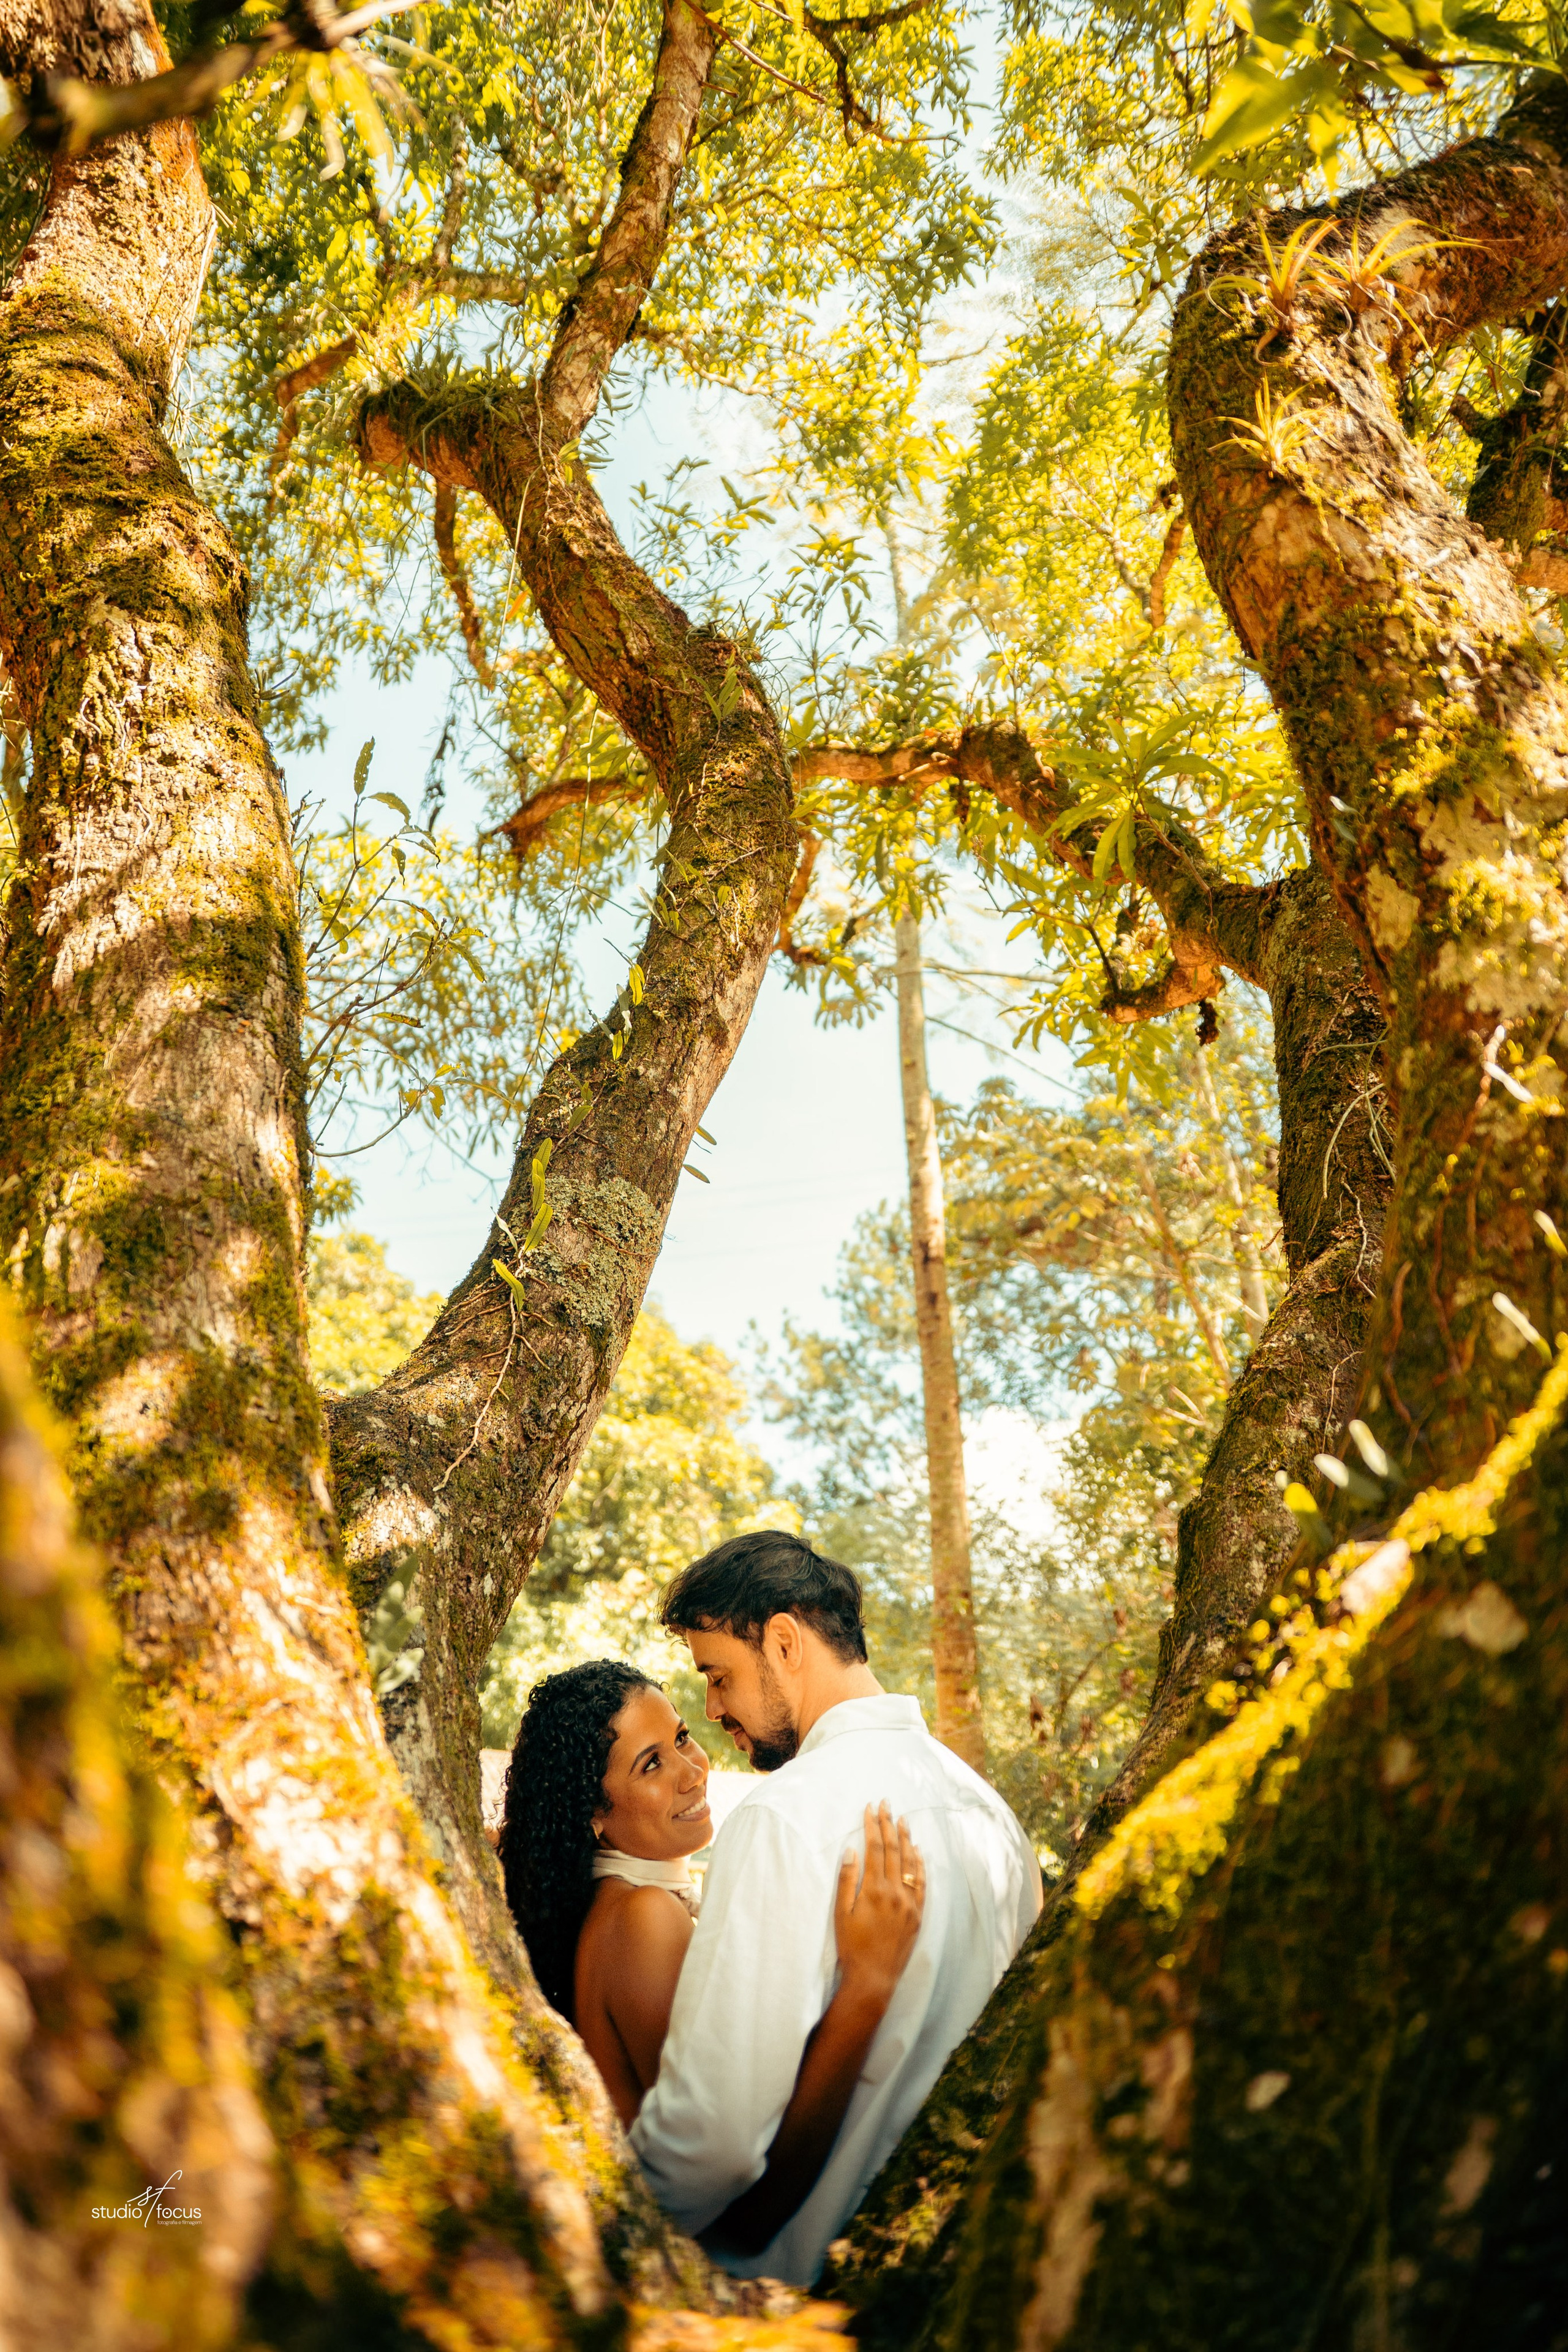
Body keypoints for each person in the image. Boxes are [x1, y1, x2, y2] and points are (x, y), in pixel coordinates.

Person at [629, 1530, 1042, 2287]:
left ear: (783, 1641)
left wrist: (617, 2235)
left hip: (794, 2293)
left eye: (717, 1675)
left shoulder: (785, 1816)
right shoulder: (993, 1818)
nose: (713, 1706)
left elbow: (710, 2140)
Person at [497, 1658, 927, 2244]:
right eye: (651, 1764)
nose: (693, 1771)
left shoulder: (634, 1903)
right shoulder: (641, 1918)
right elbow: (744, 2181)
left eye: (680, 1738)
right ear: (595, 1815)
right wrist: (867, 1984)